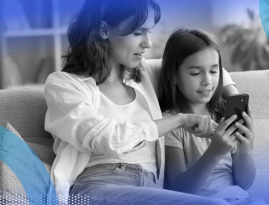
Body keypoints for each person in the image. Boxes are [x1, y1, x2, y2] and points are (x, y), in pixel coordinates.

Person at [44, 1, 238, 205]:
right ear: (103, 30)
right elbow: (110, 139)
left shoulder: (142, 73)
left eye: (149, 32)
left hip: (152, 187)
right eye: (138, 33)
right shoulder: (64, 86)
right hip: (99, 185)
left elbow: (200, 64)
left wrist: (236, 101)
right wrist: (179, 120)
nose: (148, 43)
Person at [158, 28, 265, 205]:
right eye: (195, 73)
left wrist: (245, 147)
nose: (207, 81)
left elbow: (245, 183)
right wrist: (215, 151)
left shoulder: (224, 114)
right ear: (173, 75)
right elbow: (180, 189)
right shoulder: (171, 123)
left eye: (214, 71)